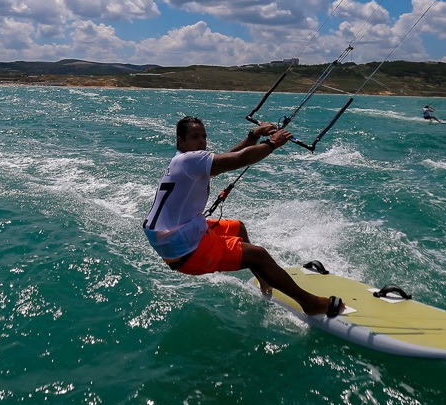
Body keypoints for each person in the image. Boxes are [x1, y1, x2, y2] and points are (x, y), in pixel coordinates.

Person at [142, 115, 345, 318]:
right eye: (195, 137)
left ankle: (265, 280)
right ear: (181, 141)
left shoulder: (183, 161)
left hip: (172, 237)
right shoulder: (190, 160)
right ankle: (310, 304)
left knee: (237, 227)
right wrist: (273, 143)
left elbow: (226, 160)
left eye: (204, 136)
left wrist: (252, 136)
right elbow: (240, 159)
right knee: (258, 255)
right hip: (183, 249)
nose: (202, 141)